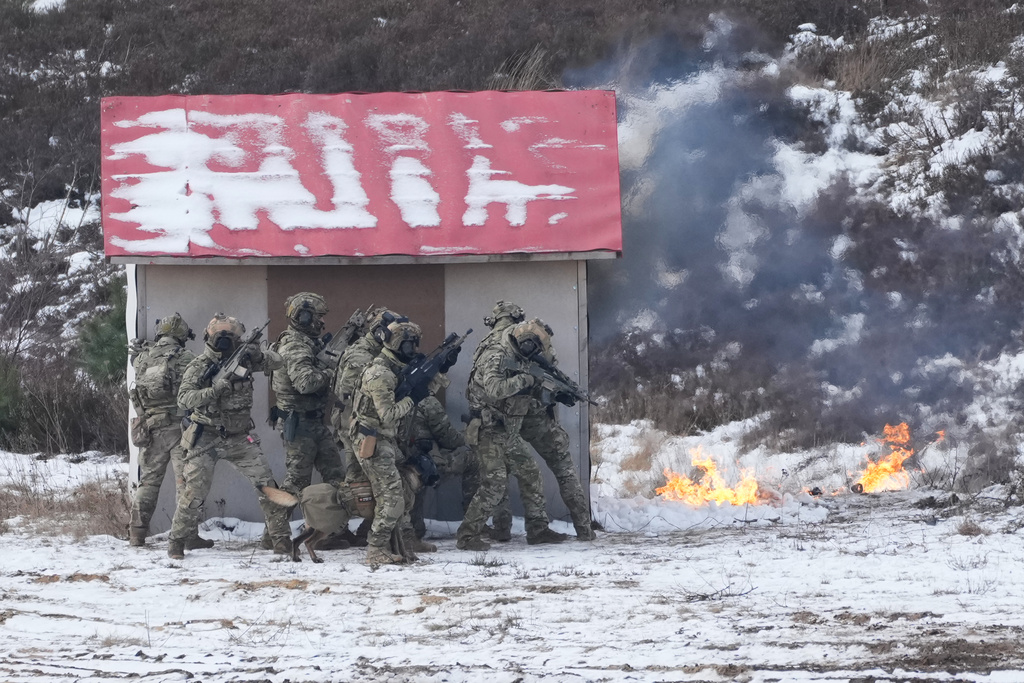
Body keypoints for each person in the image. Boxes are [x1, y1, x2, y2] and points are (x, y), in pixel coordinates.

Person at [167, 313, 290, 560]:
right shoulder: (199, 365)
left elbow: (278, 362)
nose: (224, 339)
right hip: (206, 436)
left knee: (267, 486)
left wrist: (255, 354)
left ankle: (280, 540)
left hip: (240, 438)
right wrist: (213, 391)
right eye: (218, 335)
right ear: (208, 336)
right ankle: (177, 542)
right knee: (194, 493)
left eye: (230, 335)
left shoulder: (243, 358)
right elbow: (184, 400)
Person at [457, 318, 569, 551]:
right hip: (488, 430)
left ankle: (538, 530)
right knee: (494, 485)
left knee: (530, 473)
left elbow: (528, 392)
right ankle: (467, 536)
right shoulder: (496, 355)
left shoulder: (522, 359)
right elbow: (495, 389)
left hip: (508, 432)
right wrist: (526, 379)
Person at [127, 313, 210, 549]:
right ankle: (187, 536)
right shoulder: (186, 358)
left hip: (151, 429)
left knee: (149, 483)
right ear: (181, 335)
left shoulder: (142, 359)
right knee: (185, 484)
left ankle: (136, 534)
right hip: (181, 429)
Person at [348, 317, 424, 565]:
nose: (413, 350)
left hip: (385, 439)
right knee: (391, 497)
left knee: (406, 487)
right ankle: (376, 549)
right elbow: (389, 414)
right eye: (409, 345)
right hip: (373, 439)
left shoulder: (392, 369)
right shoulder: (381, 373)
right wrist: (413, 398)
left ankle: (399, 543)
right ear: (399, 346)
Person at [398, 378, 480, 543]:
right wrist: (466, 433)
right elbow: (450, 439)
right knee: (473, 461)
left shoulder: (396, 398)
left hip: (399, 463)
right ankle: (475, 523)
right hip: (424, 465)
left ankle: (414, 528)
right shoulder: (428, 402)